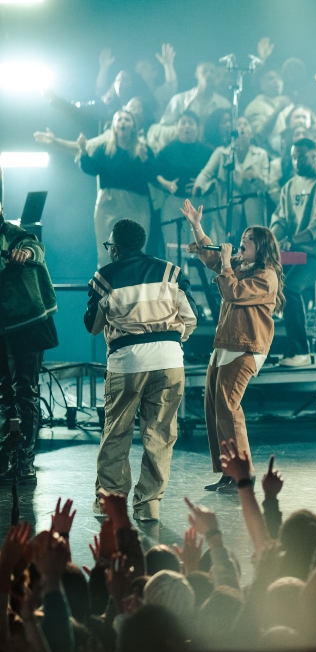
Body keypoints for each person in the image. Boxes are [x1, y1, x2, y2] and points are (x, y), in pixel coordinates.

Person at [84, 218, 198, 521]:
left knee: (116, 434)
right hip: (170, 361)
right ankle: (148, 506)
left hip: (127, 362)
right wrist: (172, 340)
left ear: (116, 248)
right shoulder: (170, 272)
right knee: (160, 434)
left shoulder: (104, 278)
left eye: (110, 245)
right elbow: (190, 317)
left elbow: (93, 326)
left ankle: (111, 504)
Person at [183, 200, 283, 493]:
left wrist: (227, 262)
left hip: (246, 347)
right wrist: (197, 227)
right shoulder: (240, 264)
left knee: (228, 406)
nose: (240, 246)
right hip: (226, 343)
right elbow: (213, 259)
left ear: (261, 248)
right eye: (241, 241)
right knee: (214, 407)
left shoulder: (266, 277)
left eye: (247, 243)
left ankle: (244, 473)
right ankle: (229, 472)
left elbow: (233, 292)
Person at [269, 138, 316, 367]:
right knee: (262, 276)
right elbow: (281, 219)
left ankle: (300, 351)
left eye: (301, 156)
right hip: (292, 250)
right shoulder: (290, 186)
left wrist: (292, 240)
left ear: (315, 156)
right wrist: (272, 239)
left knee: (289, 288)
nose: (296, 161)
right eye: (293, 157)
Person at [0, 210, 58, 482]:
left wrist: (26, 254)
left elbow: (33, 244)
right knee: (4, 395)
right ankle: (6, 456)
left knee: (25, 391)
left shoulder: (13, 233)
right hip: (4, 326)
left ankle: (25, 460)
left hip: (27, 324)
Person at [76, 109, 156, 268]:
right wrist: (83, 151)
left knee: (136, 250)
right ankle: (106, 289)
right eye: (119, 119)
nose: (123, 123)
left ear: (133, 126)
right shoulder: (105, 148)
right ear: (114, 125)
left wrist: (145, 159)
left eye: (127, 119)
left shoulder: (143, 149)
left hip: (136, 204)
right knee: (107, 249)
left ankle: (134, 288)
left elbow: (153, 174)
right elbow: (91, 168)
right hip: (109, 204)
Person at [193, 116, 272, 234]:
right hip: (229, 208)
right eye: (238, 124)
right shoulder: (221, 153)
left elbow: (267, 185)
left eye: (245, 124)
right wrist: (199, 185)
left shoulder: (261, 154)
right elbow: (206, 173)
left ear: (251, 132)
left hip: (253, 210)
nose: (242, 127)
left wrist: (256, 178)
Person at [156, 111, 214, 264]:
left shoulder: (208, 151)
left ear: (197, 127)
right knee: (173, 246)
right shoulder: (167, 150)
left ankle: (198, 286)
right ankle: (175, 284)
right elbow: (155, 173)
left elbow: (215, 177)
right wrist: (166, 184)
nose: (187, 126)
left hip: (200, 202)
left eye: (191, 123)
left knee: (201, 246)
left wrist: (203, 183)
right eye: (183, 122)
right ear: (177, 127)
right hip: (173, 202)